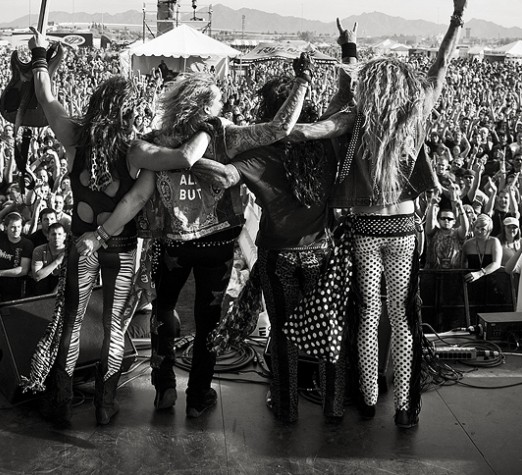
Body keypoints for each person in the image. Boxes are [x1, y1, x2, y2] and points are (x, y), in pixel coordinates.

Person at [24, 28, 215, 428]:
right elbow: (182, 159)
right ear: (128, 109)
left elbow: (46, 98)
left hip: (82, 243)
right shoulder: (136, 150)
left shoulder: (74, 135)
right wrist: (209, 126)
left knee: (72, 321)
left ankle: (59, 401)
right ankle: (104, 405)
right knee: (112, 326)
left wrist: (40, 54)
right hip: (122, 248)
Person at [191, 21, 357, 423]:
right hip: (321, 253)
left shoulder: (258, 154)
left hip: (277, 256)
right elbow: (345, 101)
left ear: (269, 111)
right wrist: (348, 50)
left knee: (284, 333)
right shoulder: (324, 145)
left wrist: (192, 159)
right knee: (328, 330)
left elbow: (226, 178)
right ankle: (334, 406)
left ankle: (286, 407)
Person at [327, 0, 471, 428]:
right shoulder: (416, 114)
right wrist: (456, 19)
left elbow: (341, 93)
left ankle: (369, 397)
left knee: (368, 313)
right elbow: (442, 64)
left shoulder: (360, 119)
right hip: (404, 229)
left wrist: (349, 49)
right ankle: (406, 408)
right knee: (403, 316)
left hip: (368, 229)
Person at [143, 59, 313, 419]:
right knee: (209, 321)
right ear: (206, 106)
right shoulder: (225, 133)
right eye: (218, 103)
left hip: (172, 243)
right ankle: (198, 397)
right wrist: (302, 80)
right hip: (216, 244)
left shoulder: (158, 139)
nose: (223, 109)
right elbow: (280, 128)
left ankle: (164, 387)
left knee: (162, 311)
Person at [30, 221, 67, 295]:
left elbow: (68, 279)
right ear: (47, 236)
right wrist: (57, 261)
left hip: (63, 288)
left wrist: (53, 297)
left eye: (59, 234)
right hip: (43, 287)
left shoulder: (70, 252)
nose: (56, 237)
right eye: (53, 234)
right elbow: (37, 277)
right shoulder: (39, 250)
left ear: (64, 236)